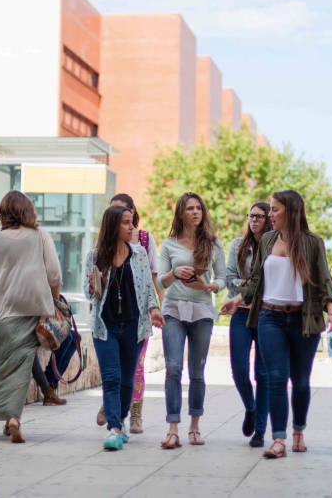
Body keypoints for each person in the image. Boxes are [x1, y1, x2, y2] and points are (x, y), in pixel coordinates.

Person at [222, 189, 332, 459]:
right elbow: (258, 282)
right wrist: (237, 299)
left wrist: (330, 311)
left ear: (291, 211)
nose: (269, 215)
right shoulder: (268, 240)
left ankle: (298, 431)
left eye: (274, 210)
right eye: (270, 210)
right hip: (269, 317)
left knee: (300, 381)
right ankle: (279, 439)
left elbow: (323, 284)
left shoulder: (312, 243)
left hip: (302, 319)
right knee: (275, 378)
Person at [0, 191, 62, 443]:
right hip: (29, 310)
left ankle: (2, 413)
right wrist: (54, 299)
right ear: (28, 211)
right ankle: (13, 419)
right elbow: (54, 274)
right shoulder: (40, 236)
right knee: (21, 366)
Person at [84, 205, 164, 451]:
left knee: (128, 380)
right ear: (113, 226)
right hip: (105, 326)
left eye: (132, 222)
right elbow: (89, 295)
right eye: (127, 223)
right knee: (111, 377)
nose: (132, 227)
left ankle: (121, 421)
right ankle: (114, 428)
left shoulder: (138, 254)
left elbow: (148, 288)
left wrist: (155, 309)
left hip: (133, 325)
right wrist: (94, 284)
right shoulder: (95, 256)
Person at [158, 192, 226, 449]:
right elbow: (159, 281)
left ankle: (195, 427)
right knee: (173, 368)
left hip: (202, 311)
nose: (195, 212)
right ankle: (172, 428)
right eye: (190, 208)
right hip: (173, 309)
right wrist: (174, 273)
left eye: (199, 208)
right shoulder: (169, 244)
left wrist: (208, 286)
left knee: (197, 372)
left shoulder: (214, 244)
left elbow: (223, 279)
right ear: (181, 213)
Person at [226, 202, 272, 447]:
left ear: (268, 219)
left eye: (259, 216)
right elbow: (228, 278)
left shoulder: (274, 245)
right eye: (251, 216)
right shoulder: (237, 245)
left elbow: (270, 282)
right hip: (241, 313)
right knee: (239, 370)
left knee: (262, 374)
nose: (254, 220)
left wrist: (246, 285)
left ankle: (261, 431)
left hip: (265, 315)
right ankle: (251, 407)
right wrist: (249, 286)